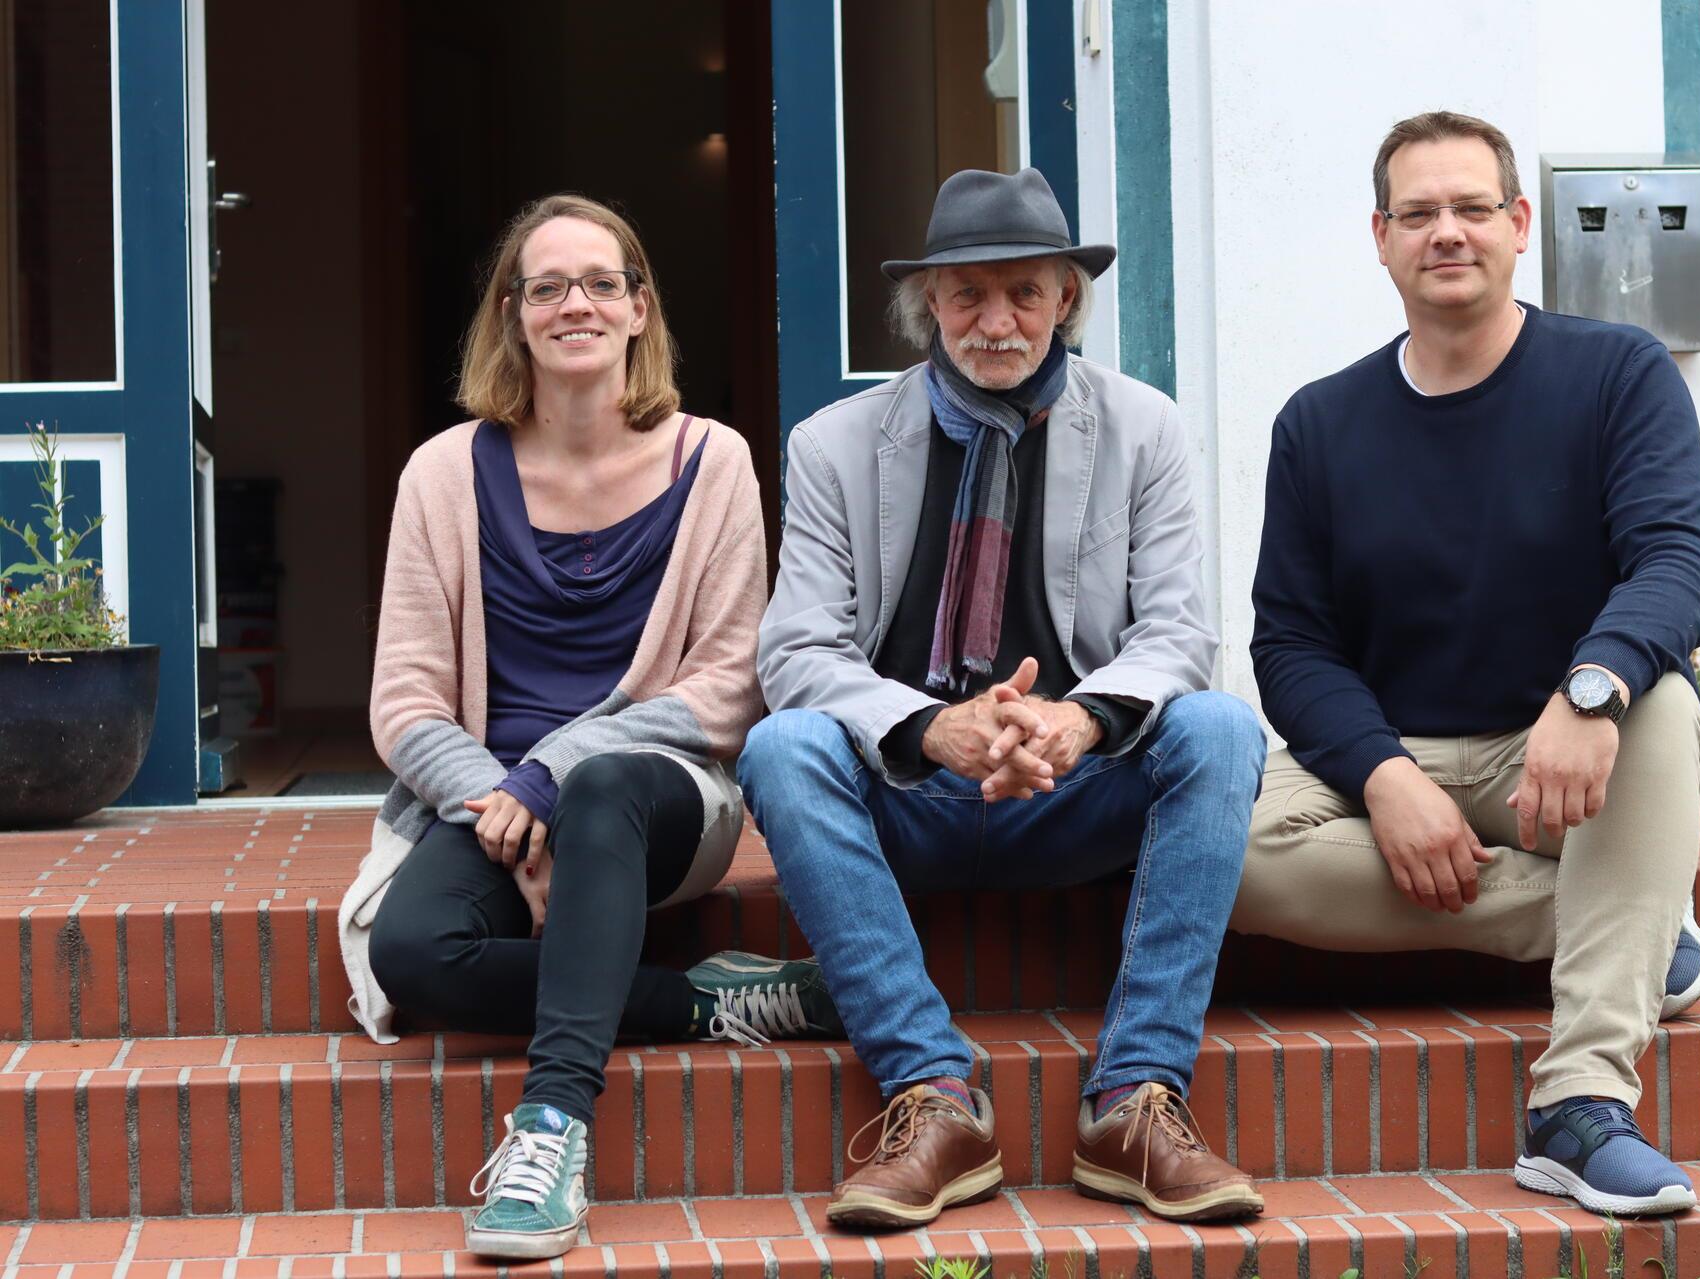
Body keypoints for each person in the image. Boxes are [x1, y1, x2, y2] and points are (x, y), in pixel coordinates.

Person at [740, 167, 1267, 1231]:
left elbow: (1179, 633)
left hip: (1076, 794)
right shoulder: (834, 446)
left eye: (1025, 291)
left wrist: (1078, 721)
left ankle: (1134, 1098)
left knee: (1219, 724)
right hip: (908, 797)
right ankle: (934, 1093)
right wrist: (937, 728)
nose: (997, 321)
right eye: (969, 294)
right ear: (927, 303)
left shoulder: (1144, 428)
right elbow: (797, 648)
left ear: (1067, 297)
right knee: (783, 744)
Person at [1234, 112, 1700, 1217]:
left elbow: (1678, 560)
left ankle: (1580, 1104)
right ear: (1380, 236)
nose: (1445, 233)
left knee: (1656, 706)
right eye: (1418, 214)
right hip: (1397, 748)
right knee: (1230, 844)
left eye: (1469, 209)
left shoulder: (1617, 375)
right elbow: (1292, 642)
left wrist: (1588, 687)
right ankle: (1625, 923)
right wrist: (1382, 776)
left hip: (1557, 755)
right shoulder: (1320, 424)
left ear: (1517, 223)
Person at [336, 194, 839, 1261]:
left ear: (640, 309)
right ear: (513, 315)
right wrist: (498, 800)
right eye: (548, 285)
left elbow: (727, 688)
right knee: (413, 951)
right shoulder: (442, 474)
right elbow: (406, 700)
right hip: (486, 797)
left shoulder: (715, 464)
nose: (578, 303)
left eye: (602, 283)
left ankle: (551, 1125)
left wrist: (548, 776)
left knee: (606, 785)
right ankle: (704, 1002)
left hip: (660, 797)